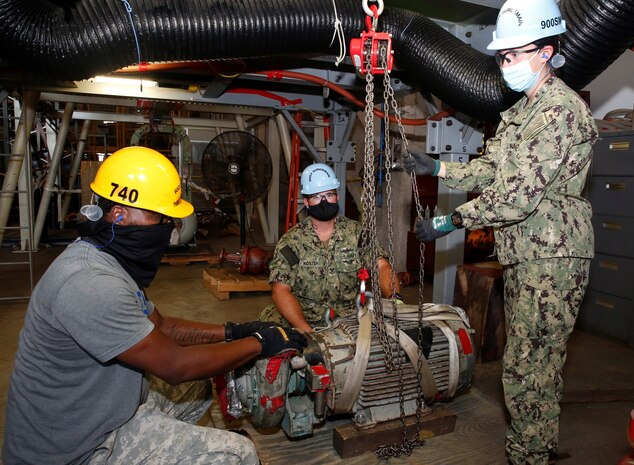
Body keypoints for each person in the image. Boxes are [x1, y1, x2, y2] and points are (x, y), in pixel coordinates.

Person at [2, 146, 306, 465]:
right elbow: (176, 366)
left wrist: (235, 331)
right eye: (159, 217)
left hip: (103, 413)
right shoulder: (90, 282)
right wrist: (258, 344)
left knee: (198, 388)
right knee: (237, 453)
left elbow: (162, 327)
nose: (168, 228)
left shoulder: (109, 260)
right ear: (119, 213)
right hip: (77, 451)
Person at [403, 0, 598, 463]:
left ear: (546, 52)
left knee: (528, 369)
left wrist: (449, 222)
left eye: (514, 55)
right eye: (502, 57)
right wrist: (440, 168)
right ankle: (538, 446)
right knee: (533, 363)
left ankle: (526, 455)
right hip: (527, 255)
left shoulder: (558, 113)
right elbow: (492, 169)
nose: (506, 65)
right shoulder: (520, 114)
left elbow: (515, 196)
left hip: (552, 257)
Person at [259, 163, 401, 332]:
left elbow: (381, 266)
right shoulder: (292, 242)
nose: (324, 201)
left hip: (349, 320)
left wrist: (395, 300)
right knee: (269, 336)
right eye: (317, 197)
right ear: (306, 202)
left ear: (337, 197)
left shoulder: (356, 234)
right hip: (304, 320)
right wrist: (308, 333)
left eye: (329, 194)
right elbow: (280, 290)